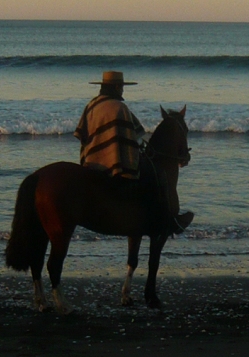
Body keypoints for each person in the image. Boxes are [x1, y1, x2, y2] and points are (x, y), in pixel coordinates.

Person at [74, 71, 192, 235]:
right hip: (113, 162)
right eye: (121, 87)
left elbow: (83, 136)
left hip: (91, 160)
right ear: (116, 87)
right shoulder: (120, 108)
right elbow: (131, 138)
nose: (122, 91)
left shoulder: (91, 105)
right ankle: (166, 220)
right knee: (156, 177)